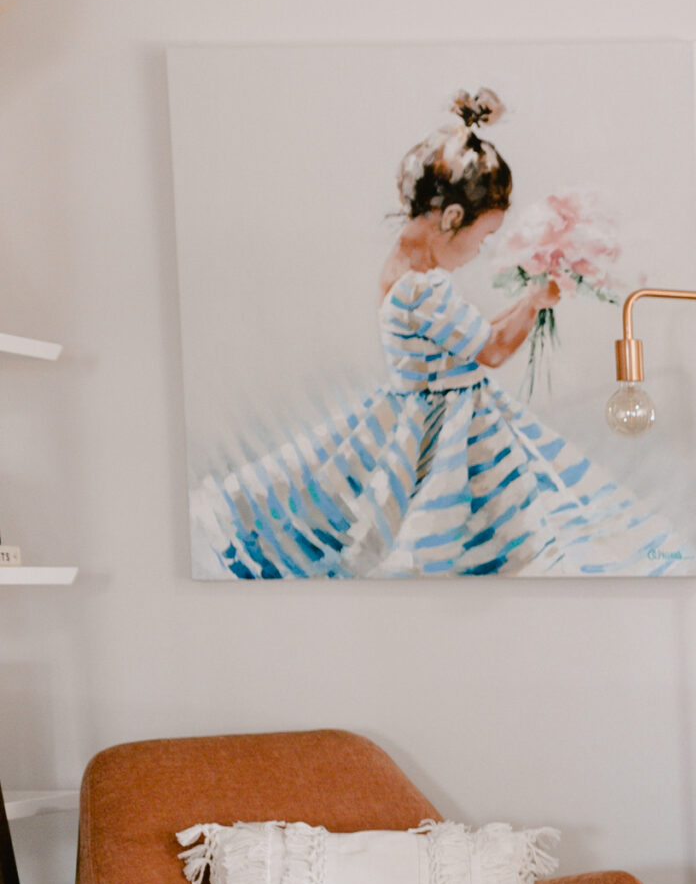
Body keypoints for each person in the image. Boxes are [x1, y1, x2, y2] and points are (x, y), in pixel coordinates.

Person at [192, 90, 666, 578]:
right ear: (453, 219)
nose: (481, 251)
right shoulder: (424, 289)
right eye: (483, 238)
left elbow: (476, 334)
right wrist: (533, 305)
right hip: (446, 421)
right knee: (460, 515)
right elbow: (493, 349)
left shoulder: (406, 271)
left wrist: (527, 301)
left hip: (429, 402)